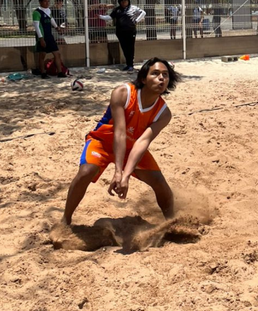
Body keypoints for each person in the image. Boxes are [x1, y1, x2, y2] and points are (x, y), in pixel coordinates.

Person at [61, 57, 182, 225]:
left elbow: (142, 143)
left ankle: (172, 223)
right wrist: (118, 172)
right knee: (86, 171)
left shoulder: (164, 113)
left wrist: (126, 175)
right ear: (143, 78)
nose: (161, 78)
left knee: (159, 182)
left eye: (165, 74)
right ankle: (65, 220)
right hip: (102, 142)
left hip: (131, 148)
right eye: (155, 73)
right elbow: (119, 133)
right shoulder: (123, 93)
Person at [100, 0, 145, 73]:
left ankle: (131, 65)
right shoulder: (117, 10)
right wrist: (100, 16)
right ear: (120, 2)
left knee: (130, 48)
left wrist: (136, 20)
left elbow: (143, 13)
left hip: (131, 31)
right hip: (120, 32)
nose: (124, 3)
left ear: (128, 1)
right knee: (124, 48)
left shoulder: (133, 8)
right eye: (122, 1)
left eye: (125, 1)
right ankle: (128, 64)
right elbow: (110, 17)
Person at [32, 0, 67, 79]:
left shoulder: (48, 10)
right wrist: (41, 39)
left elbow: (51, 19)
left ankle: (60, 72)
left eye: (48, 1)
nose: (47, 3)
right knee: (42, 55)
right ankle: (43, 73)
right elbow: (37, 26)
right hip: (42, 36)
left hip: (49, 36)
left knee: (57, 53)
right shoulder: (36, 12)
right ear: (40, 2)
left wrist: (57, 27)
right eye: (45, 1)